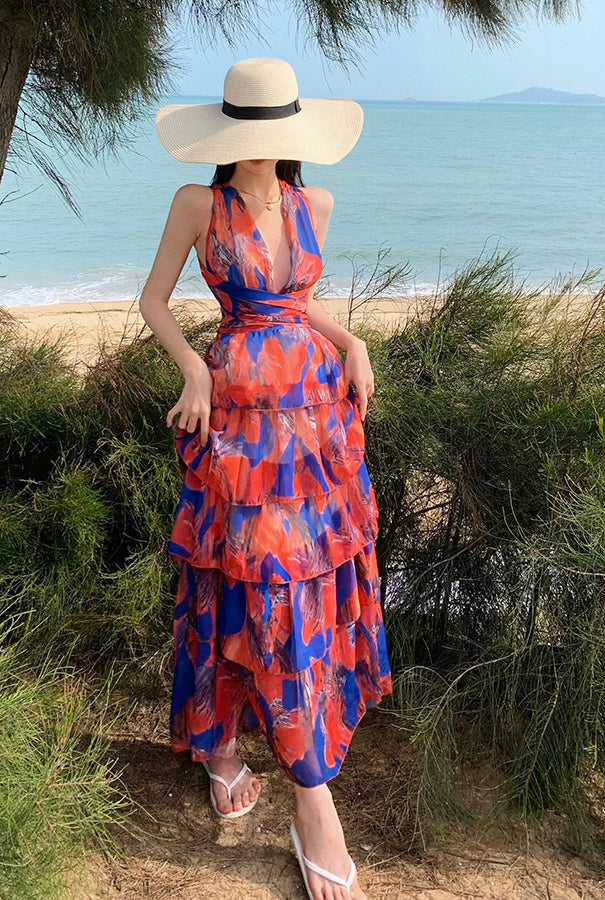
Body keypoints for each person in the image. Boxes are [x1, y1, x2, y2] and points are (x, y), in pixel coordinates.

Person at [139, 56, 393, 900]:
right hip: (239, 426)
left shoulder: (315, 204)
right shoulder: (196, 205)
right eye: (246, 130)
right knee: (240, 575)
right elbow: (154, 301)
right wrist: (193, 369)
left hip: (314, 421)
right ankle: (264, 771)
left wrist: (351, 341)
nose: (259, 144)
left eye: (272, 130)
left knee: (297, 581)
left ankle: (287, 773)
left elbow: (298, 304)